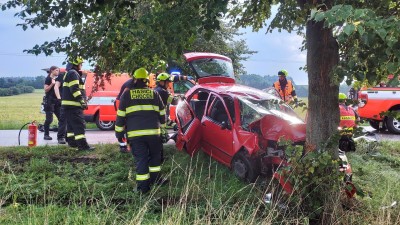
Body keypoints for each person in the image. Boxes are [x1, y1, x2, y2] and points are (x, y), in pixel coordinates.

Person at [115, 67, 167, 194]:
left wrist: (119, 133)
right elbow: (162, 114)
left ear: (135, 80)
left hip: (136, 135)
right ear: (146, 81)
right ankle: (156, 181)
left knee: (142, 159)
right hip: (154, 134)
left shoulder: (127, 94)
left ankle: (143, 189)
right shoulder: (154, 93)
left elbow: (121, 115)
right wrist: (163, 130)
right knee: (155, 158)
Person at [61, 57, 95, 151]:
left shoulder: (70, 73)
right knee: (79, 125)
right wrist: (82, 101)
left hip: (69, 106)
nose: (81, 65)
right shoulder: (73, 73)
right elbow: (75, 89)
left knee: (71, 126)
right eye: (81, 64)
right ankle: (83, 146)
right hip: (74, 106)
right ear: (76, 64)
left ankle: (72, 143)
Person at [43, 66, 62, 140]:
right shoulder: (48, 78)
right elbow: (45, 90)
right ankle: (46, 134)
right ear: (52, 71)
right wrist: (52, 84)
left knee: (61, 118)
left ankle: (61, 135)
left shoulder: (57, 79)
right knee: (49, 120)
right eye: (57, 70)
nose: (58, 72)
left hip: (56, 101)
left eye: (58, 70)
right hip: (49, 101)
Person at [53, 65, 71, 144]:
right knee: (62, 120)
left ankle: (68, 137)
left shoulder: (73, 76)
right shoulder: (62, 75)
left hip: (69, 102)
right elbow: (56, 87)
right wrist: (59, 98)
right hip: (61, 101)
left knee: (69, 120)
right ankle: (61, 137)